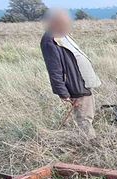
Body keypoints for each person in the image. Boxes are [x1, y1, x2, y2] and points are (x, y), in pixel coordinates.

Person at [40, 8, 101, 138]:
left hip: (83, 81)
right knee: (84, 118)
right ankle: (90, 145)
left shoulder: (63, 35)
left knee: (88, 114)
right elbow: (54, 70)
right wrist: (63, 93)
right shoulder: (49, 41)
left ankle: (88, 140)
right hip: (75, 84)